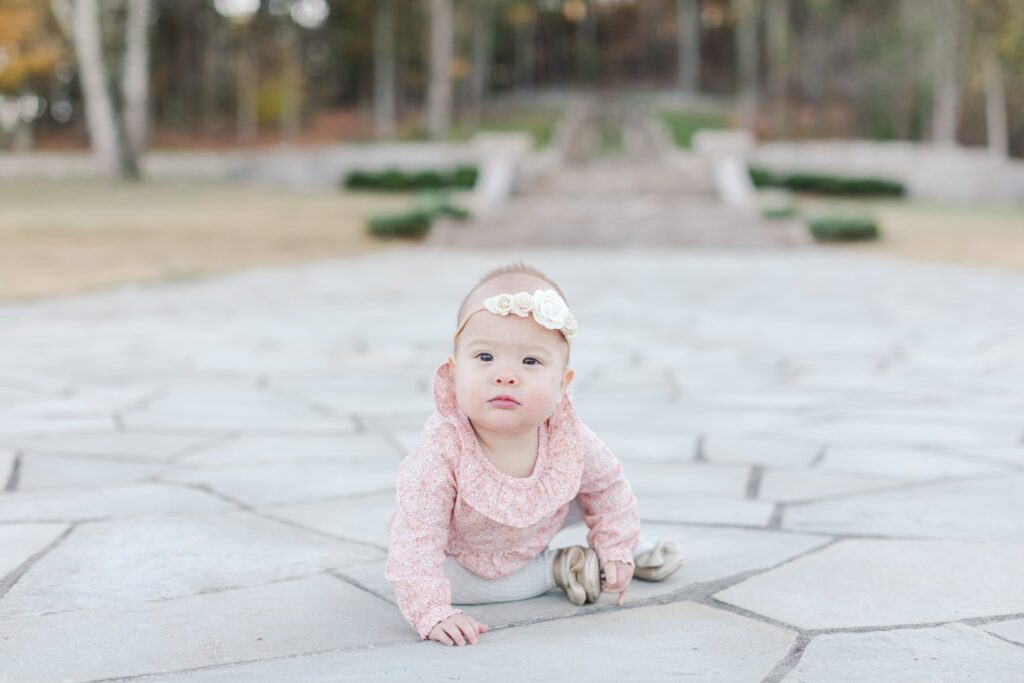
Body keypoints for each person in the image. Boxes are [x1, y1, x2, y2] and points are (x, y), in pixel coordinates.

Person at [385, 263, 685, 646]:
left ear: (562, 383)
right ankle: (557, 569)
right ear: (454, 371)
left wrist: (615, 542)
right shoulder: (441, 450)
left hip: (540, 518)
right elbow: (418, 539)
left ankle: (621, 552)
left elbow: (609, 487)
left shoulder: (567, 436)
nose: (506, 375)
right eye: (485, 357)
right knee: (448, 580)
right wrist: (431, 611)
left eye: (530, 361)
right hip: (469, 549)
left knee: (595, 495)